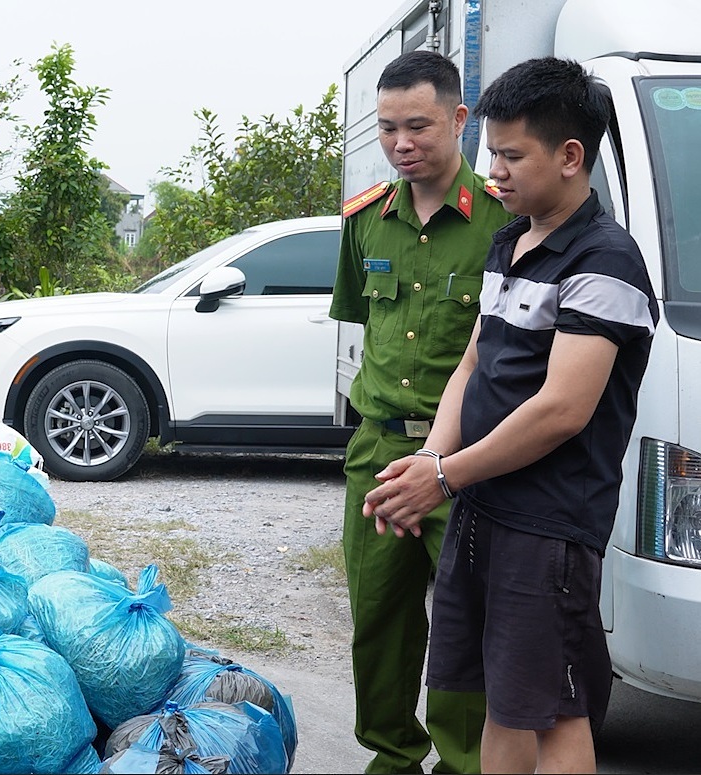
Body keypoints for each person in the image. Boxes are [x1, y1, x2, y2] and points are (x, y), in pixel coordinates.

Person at [362, 57, 658, 773]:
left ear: (569, 157)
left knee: (555, 710)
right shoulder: (511, 241)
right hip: (484, 510)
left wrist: (445, 475)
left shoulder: (604, 260)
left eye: (511, 154)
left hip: (547, 525)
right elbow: (473, 364)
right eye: (490, 151)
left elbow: (561, 409)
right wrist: (428, 462)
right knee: (501, 698)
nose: (493, 168)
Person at [330, 50, 513, 773]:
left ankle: (465, 758)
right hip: (378, 451)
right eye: (387, 129)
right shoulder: (365, 222)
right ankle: (393, 753)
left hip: (466, 459)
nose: (401, 143)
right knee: (379, 616)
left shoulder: (503, 221)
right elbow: (361, 335)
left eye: (418, 126)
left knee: (469, 623)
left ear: (460, 120)